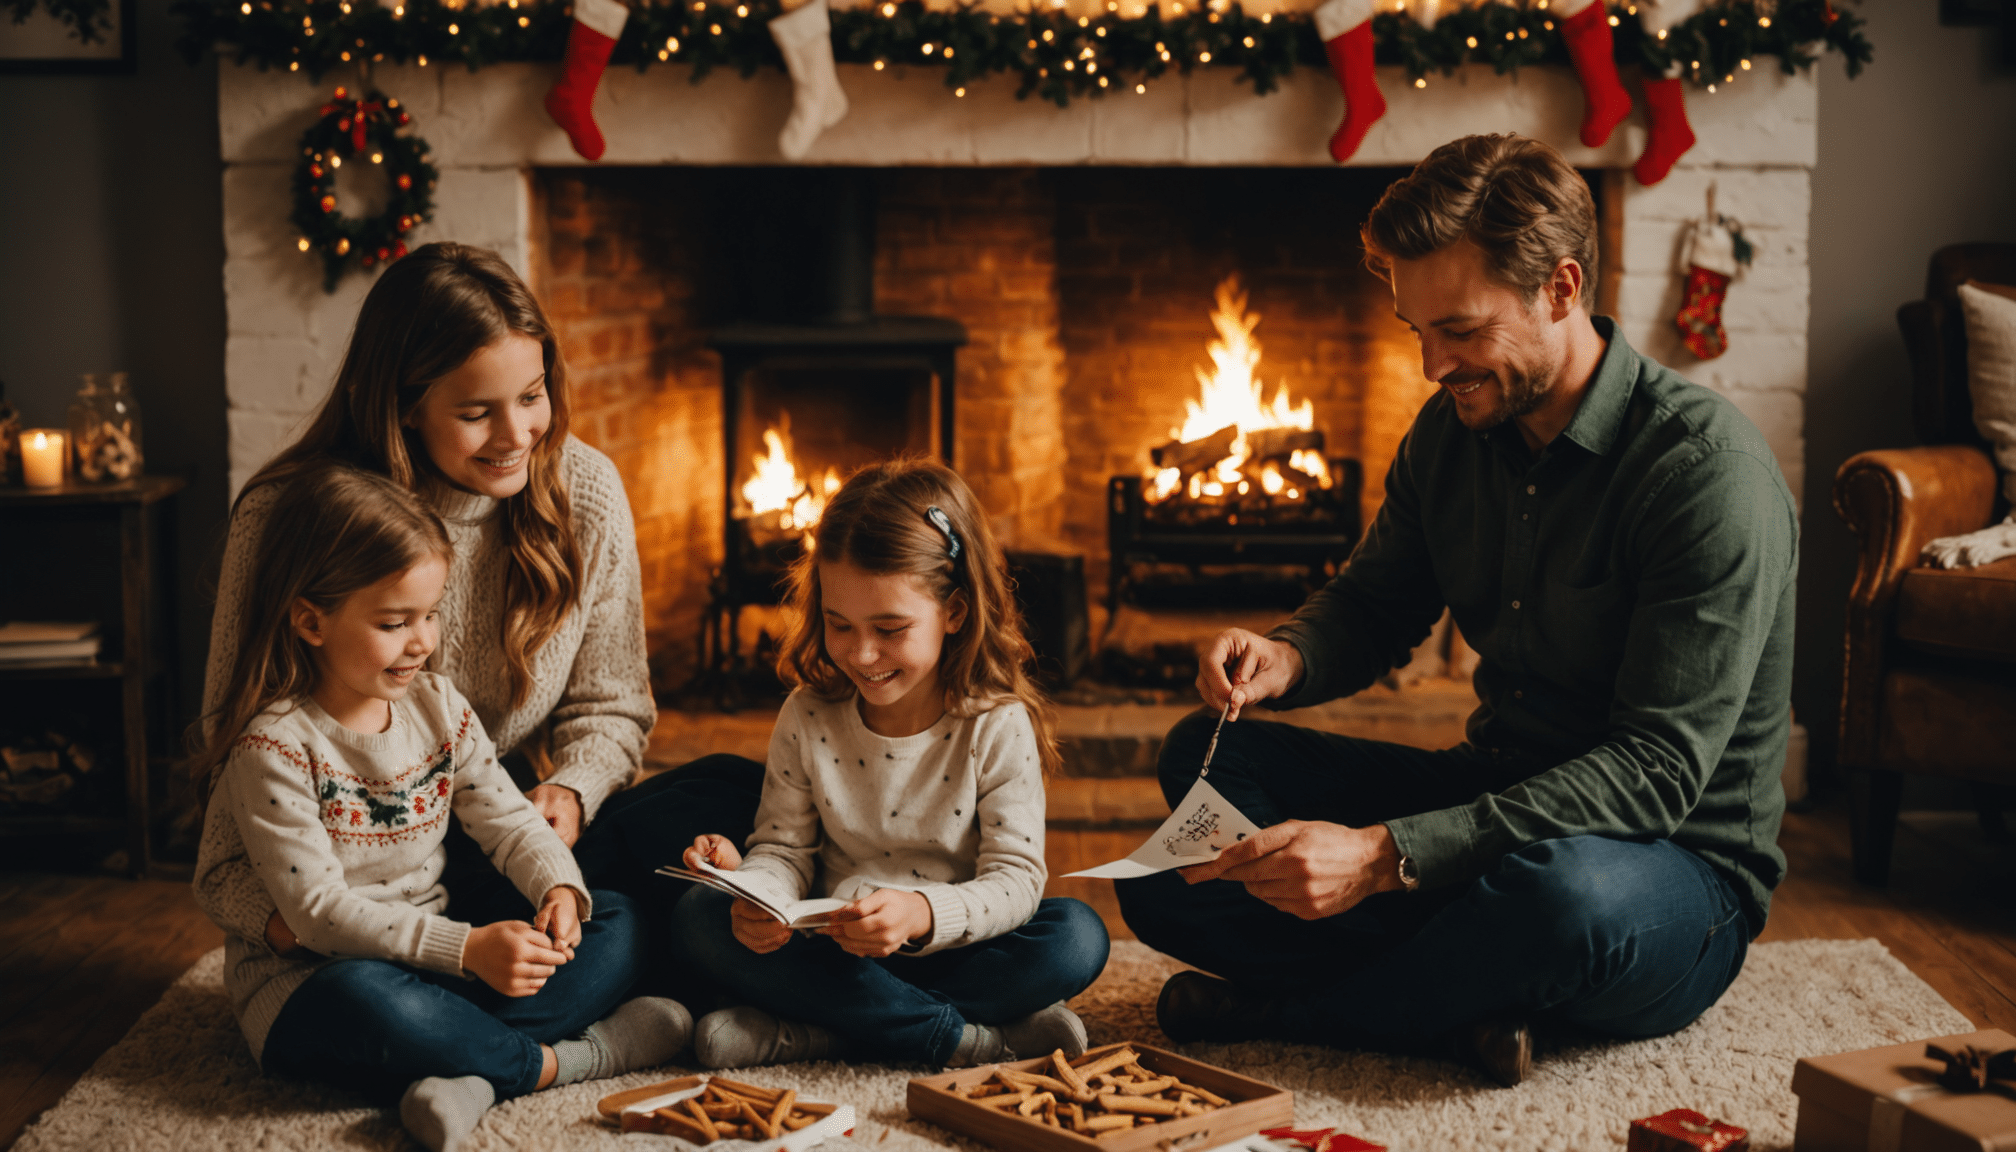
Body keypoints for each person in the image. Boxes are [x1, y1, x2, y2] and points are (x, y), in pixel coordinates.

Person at [1115, 134, 1798, 1087]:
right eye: (1416, 332)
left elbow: (1654, 773)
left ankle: (1304, 1010)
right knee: (1191, 801)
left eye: (1463, 330)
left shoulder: (1704, 473)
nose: (1434, 364)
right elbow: (1374, 603)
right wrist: (1287, 658)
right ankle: (1460, 993)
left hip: (1666, 868)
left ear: (1560, 289)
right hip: (1491, 802)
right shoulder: (1453, 432)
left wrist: (1388, 857)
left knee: (1563, 907)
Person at [196, 241, 764, 965]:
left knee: (735, 792)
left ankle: (566, 959)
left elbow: (613, 707)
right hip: (360, 864)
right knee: (619, 932)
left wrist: (570, 793)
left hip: (512, 823)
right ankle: (575, 978)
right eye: (476, 412)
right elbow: (233, 754)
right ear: (404, 406)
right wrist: (280, 929)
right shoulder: (293, 517)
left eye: (531, 397)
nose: (517, 435)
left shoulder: (584, 491)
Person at [190, 467, 689, 1152]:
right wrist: (468, 949)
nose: (422, 640)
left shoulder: (439, 707)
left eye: (430, 614)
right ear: (311, 620)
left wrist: (557, 888)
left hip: (435, 962)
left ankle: (465, 1067)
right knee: (368, 1002)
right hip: (319, 974)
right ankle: (564, 1061)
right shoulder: (273, 746)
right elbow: (319, 915)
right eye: (394, 622)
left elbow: (510, 821)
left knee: (620, 918)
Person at [670, 459, 1112, 1069]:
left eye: (890, 628)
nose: (862, 653)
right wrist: (759, 895)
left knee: (1076, 937)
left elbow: (1015, 882)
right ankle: (960, 1039)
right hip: (835, 951)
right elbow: (783, 850)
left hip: (956, 946)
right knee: (700, 917)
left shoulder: (994, 723)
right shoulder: (808, 714)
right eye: (838, 625)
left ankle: (819, 1033)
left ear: (953, 612)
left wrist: (923, 914)